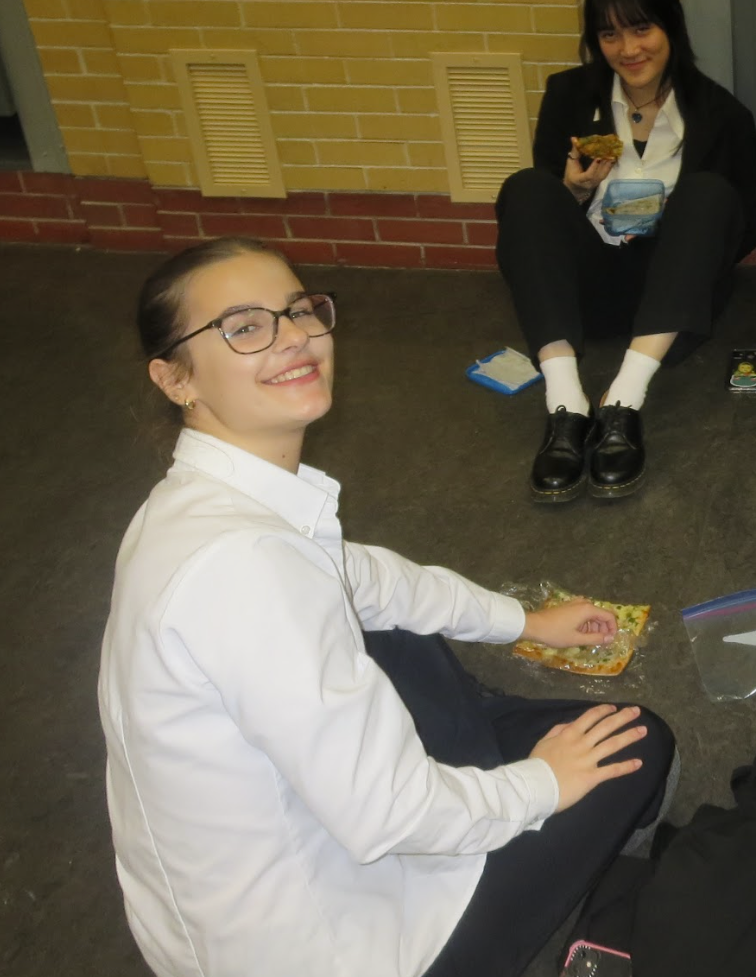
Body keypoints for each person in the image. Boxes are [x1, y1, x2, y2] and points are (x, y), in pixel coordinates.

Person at [100, 238, 678, 977]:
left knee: (400, 630)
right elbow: (389, 815)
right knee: (638, 746)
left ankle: (489, 756)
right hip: (343, 944)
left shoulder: (198, 503)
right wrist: (542, 785)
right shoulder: (246, 570)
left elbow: (364, 580)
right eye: (245, 328)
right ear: (174, 377)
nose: (297, 340)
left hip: (249, 889)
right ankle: (511, 771)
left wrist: (525, 621)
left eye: (300, 311)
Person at [496, 0, 756, 501]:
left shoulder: (721, 114)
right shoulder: (570, 95)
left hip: (669, 296)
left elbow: (742, 233)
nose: (629, 49)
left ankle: (623, 401)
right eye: (610, 34)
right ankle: (565, 405)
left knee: (710, 192)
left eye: (642, 28)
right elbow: (538, 227)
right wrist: (575, 190)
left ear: (670, 26)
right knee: (525, 187)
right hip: (591, 284)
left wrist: (680, 221)